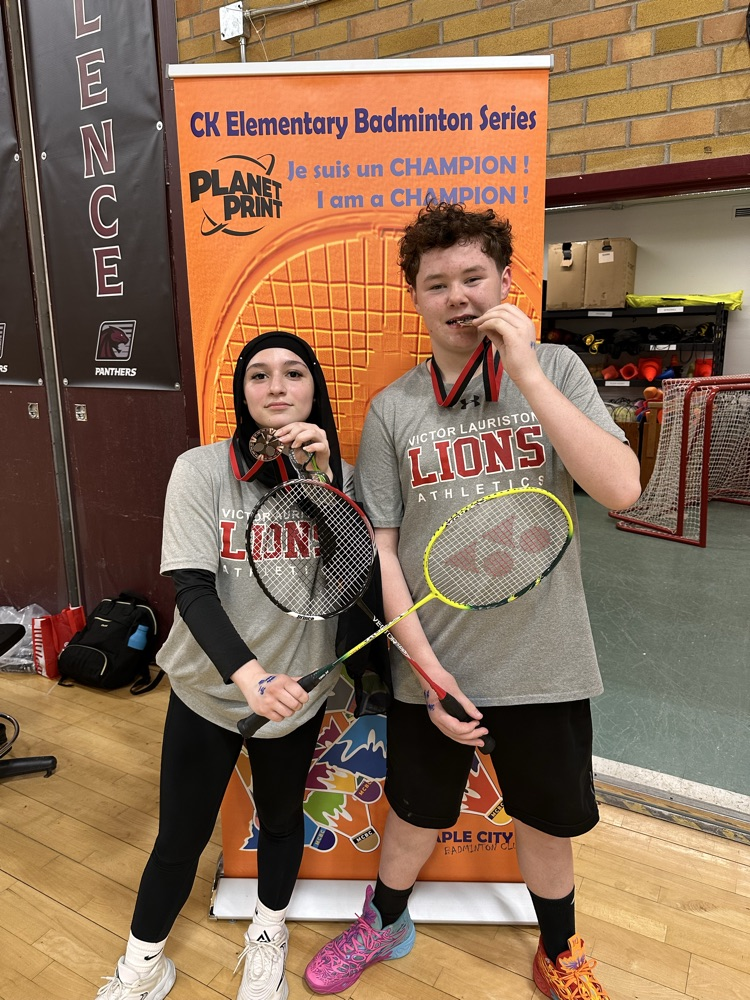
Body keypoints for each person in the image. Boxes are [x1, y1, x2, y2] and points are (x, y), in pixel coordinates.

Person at [304, 203, 642, 1000]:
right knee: (415, 816)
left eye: (472, 278)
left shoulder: (555, 372)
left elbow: (623, 487)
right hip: (435, 663)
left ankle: (558, 949)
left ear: (504, 282)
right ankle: (384, 924)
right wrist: (425, 668)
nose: (456, 297)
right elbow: (381, 547)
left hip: (545, 658)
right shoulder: (393, 409)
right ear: (415, 298)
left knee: (546, 822)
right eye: (436, 284)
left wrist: (524, 370)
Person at [96, 331, 356, 1000]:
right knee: (179, 838)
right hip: (212, 690)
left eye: (294, 374)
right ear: (241, 394)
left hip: (297, 692)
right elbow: (191, 588)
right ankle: (141, 967)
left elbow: (356, 574)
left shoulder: (337, 475)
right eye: (259, 375)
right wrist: (248, 676)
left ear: (314, 390)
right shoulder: (200, 469)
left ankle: (268, 932)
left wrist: (326, 480)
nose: (276, 387)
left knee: (278, 821)